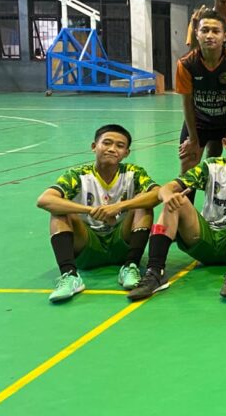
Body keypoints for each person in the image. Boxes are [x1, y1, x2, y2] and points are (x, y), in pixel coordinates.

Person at [127, 118, 226, 302]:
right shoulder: (210, 166)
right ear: (225, 143)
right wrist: (168, 195)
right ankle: (155, 272)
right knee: (177, 199)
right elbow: (167, 188)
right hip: (205, 239)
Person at [36, 124, 158, 303]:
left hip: (121, 242)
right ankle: (70, 275)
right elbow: (44, 200)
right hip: (86, 245)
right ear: (94, 146)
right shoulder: (77, 175)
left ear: (126, 153)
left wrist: (119, 206)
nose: (112, 149)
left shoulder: (133, 173)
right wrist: (91, 211)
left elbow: (158, 193)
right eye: (107, 143)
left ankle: (130, 265)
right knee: (59, 210)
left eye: (119, 146)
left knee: (143, 201)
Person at [176, 10, 226, 172]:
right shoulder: (186, 63)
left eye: (215, 31)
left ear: (225, 36)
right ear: (196, 34)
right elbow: (187, 103)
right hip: (200, 120)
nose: (210, 36)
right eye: (205, 30)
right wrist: (193, 139)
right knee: (188, 161)